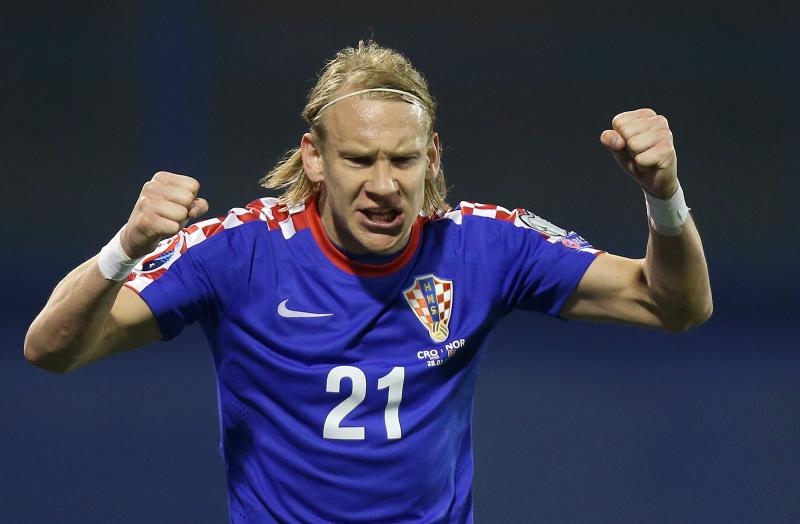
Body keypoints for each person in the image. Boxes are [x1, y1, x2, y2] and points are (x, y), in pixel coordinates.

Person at [24, 41, 712, 523]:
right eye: (359, 159)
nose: (384, 185)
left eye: (403, 159)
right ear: (315, 159)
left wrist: (665, 196)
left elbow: (674, 306)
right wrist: (124, 248)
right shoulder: (239, 253)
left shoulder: (484, 244)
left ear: (431, 157)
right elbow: (51, 348)